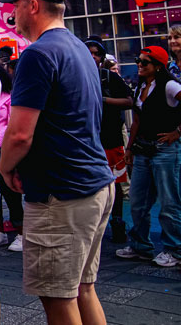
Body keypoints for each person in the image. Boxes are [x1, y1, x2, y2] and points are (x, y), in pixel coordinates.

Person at [0, 0, 115, 324]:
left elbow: (19, 134)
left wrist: (5, 168)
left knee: (58, 297)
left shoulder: (37, 54)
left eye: (16, 6)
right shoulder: (79, 48)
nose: (13, 14)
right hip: (92, 184)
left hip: (61, 193)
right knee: (83, 288)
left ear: (33, 6)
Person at [115, 45, 181, 265]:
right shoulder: (141, 86)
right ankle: (140, 245)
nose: (139, 65)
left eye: (145, 62)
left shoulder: (170, 85)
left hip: (164, 151)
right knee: (138, 201)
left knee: (169, 202)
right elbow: (137, 120)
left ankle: (175, 249)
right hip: (143, 150)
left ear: (158, 66)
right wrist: (130, 148)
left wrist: (177, 132)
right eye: (138, 60)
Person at [84, 36, 133, 244]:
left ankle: (117, 221)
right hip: (86, 141)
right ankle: (92, 225)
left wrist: (104, 100)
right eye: (89, 52)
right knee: (89, 185)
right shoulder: (76, 76)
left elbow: (130, 100)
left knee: (115, 185)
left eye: (97, 54)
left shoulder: (108, 77)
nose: (93, 57)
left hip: (111, 139)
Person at [0, 57, 24, 252]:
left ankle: (20, 232)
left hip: (3, 150)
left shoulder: (8, 97)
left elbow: (12, 125)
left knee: (11, 193)